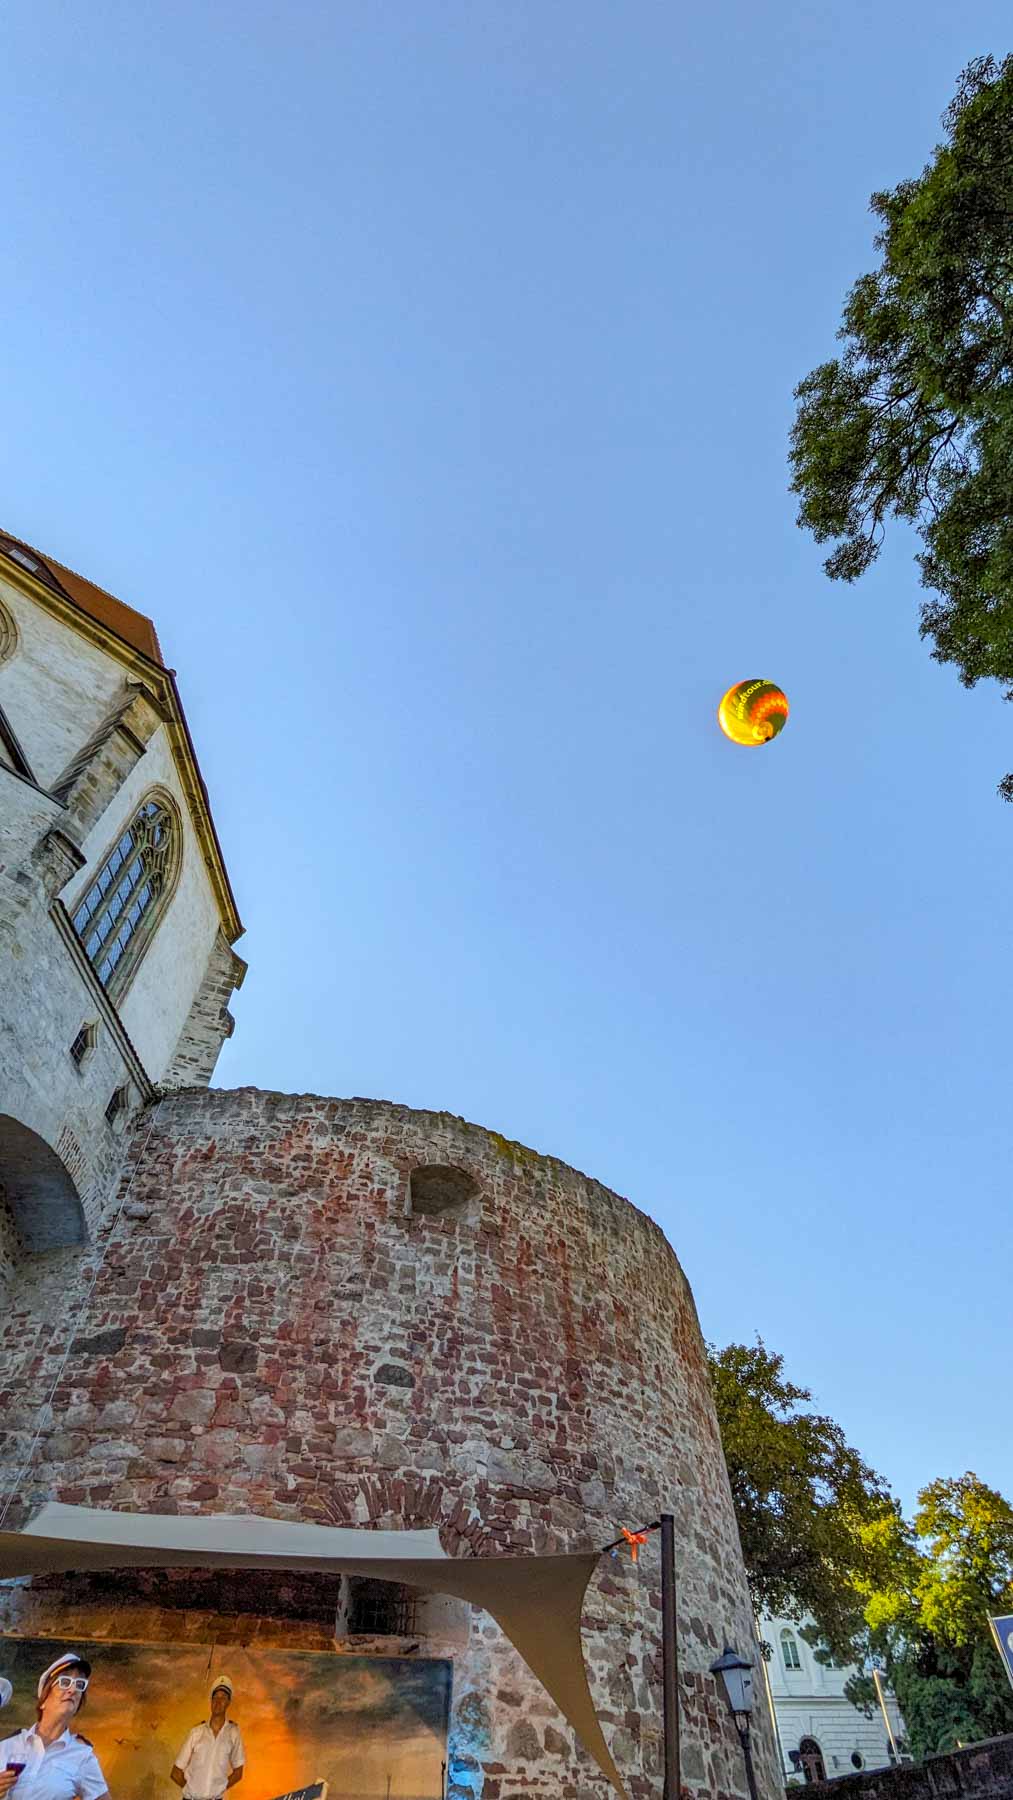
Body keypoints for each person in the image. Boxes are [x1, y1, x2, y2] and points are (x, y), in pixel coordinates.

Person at [0, 1652, 109, 1799]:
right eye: (65, 1682)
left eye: (79, 1684)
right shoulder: (7, 1746)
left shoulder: (82, 1756)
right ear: (43, 1700)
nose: (73, 1690)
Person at [170, 1677, 245, 1800]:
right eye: (215, 1697)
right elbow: (176, 1772)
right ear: (211, 1701)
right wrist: (190, 1790)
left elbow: (238, 1773)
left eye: (223, 1698)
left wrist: (220, 1788)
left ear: (228, 1702)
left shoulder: (233, 1733)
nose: (218, 1701)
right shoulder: (196, 1732)